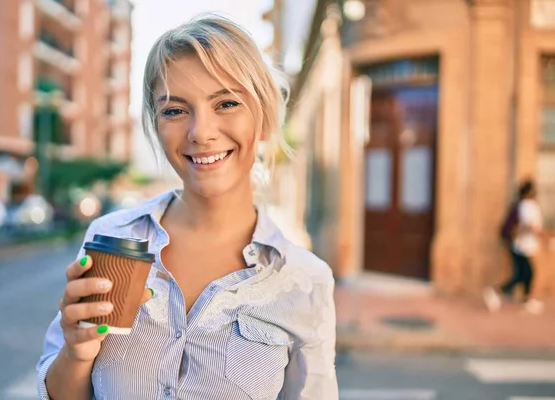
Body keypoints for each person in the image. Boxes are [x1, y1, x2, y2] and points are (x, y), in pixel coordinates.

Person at [36, 15, 338, 400]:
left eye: (226, 103)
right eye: (175, 110)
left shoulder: (305, 281)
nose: (201, 132)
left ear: (263, 119)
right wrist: (77, 352)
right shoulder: (111, 238)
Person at [484, 179, 548, 314]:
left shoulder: (525, 205)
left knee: (526, 274)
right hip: (521, 246)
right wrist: (546, 237)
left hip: (523, 246)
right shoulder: (526, 206)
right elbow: (530, 226)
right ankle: (496, 292)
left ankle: (525, 300)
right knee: (523, 275)